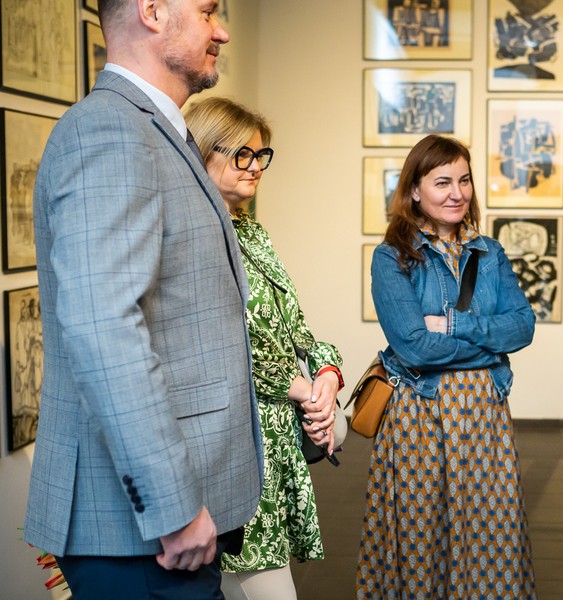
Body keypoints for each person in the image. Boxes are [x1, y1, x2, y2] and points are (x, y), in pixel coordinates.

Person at [24, 1, 265, 598]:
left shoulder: (159, 130)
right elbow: (105, 328)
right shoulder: (109, 129)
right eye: (207, 10)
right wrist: (173, 507)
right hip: (141, 533)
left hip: (161, 527)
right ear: (153, 12)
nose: (222, 29)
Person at [357, 134, 537, 599]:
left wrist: (454, 325)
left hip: (484, 422)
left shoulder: (490, 253)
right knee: (422, 537)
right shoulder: (391, 258)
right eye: (442, 182)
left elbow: (522, 327)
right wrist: (488, 344)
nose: (457, 192)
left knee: (491, 535)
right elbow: (415, 348)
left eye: (464, 180)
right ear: (414, 190)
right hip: (420, 417)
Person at [184, 96, 344, 600]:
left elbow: (296, 328)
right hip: (235, 446)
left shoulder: (253, 233)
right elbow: (218, 345)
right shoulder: (193, 237)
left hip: (274, 446)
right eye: (242, 155)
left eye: (261, 155)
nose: (256, 167)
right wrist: (301, 388)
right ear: (203, 153)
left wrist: (326, 375)